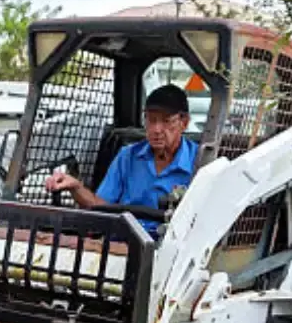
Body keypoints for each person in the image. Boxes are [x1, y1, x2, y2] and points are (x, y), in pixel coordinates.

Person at [44, 84, 197, 236]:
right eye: (151, 120)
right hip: (123, 243)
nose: (156, 129)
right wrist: (75, 186)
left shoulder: (200, 161)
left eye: (166, 121)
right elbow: (101, 207)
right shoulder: (127, 156)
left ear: (184, 122)